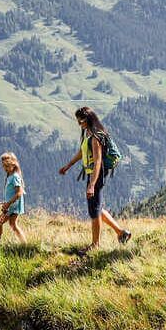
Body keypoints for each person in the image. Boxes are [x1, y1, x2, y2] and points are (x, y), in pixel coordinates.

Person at [58, 106, 132, 254]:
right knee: (96, 207)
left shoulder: (96, 136)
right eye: (78, 122)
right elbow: (82, 151)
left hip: (96, 175)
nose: (80, 124)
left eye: (82, 121)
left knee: (94, 210)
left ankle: (95, 245)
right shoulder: (89, 133)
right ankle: (121, 233)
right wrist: (68, 165)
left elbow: (98, 161)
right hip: (93, 174)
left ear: (89, 119)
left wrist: (92, 184)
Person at [0, 152, 28, 244]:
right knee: (13, 224)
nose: (5, 168)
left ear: (13, 164)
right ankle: (24, 244)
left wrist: (8, 203)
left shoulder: (15, 177)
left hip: (12, 206)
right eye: (4, 166)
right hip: (12, 204)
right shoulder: (10, 175)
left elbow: (19, 192)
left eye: (7, 166)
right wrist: (6, 201)